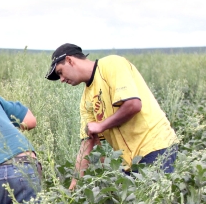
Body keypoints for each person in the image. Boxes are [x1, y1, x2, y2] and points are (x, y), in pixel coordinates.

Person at [45, 44, 179, 188]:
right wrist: (74, 185)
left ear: (70, 60)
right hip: (129, 162)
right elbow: (87, 143)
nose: (62, 79)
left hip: (155, 146)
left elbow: (133, 105)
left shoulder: (112, 64)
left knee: (154, 203)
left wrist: (101, 125)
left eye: (60, 72)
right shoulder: (85, 100)